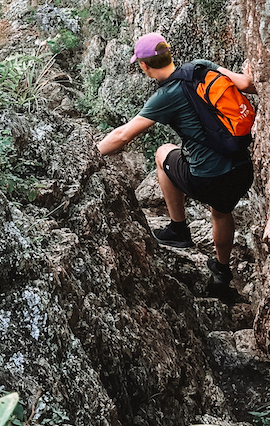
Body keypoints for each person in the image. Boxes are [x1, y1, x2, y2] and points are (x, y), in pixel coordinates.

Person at [97, 33, 256, 290]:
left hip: (207, 179)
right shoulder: (202, 67)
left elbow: (122, 135)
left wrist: (90, 153)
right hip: (241, 169)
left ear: (144, 66)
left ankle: (178, 229)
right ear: (169, 54)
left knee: (163, 153)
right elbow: (248, 84)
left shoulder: (166, 95)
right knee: (221, 210)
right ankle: (222, 273)